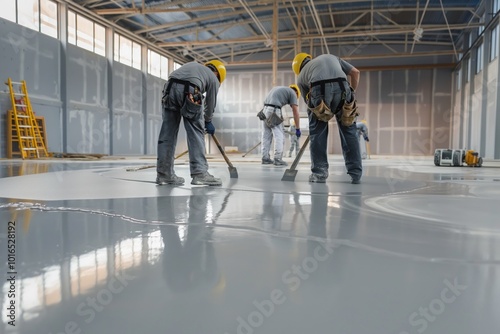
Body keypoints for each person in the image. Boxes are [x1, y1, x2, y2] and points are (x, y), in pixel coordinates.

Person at [292, 53, 362, 184]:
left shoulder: (301, 77)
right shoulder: (331, 57)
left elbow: (309, 103)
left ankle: (319, 173)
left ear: (298, 68)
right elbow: (355, 72)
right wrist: (351, 93)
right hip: (343, 87)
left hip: (318, 90)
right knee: (349, 130)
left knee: (318, 133)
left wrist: (321, 116)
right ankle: (356, 174)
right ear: (309, 58)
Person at [156, 60, 226, 186]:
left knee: (167, 134)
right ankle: (200, 174)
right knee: (195, 133)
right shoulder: (214, 79)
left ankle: (164, 175)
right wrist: (208, 121)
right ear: (217, 74)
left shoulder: (194, 66)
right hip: (190, 91)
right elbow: (210, 104)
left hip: (169, 88)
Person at [260, 85, 302, 166]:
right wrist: (297, 128)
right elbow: (295, 112)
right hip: (274, 110)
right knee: (280, 135)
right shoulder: (293, 93)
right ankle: (278, 159)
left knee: (266, 135)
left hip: (264, 110)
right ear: (296, 92)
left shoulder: (279, 89)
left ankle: (265, 158)